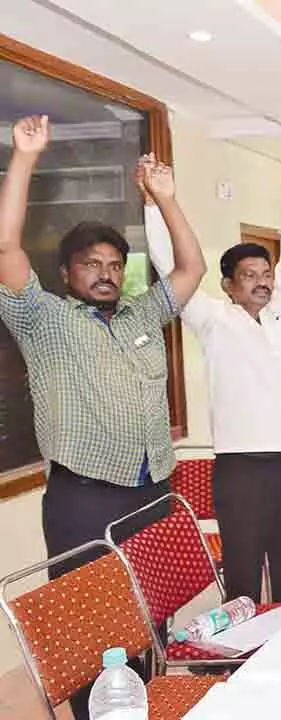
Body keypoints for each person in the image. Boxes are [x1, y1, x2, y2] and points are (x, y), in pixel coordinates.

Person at [0, 116, 205, 719]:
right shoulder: (45, 323)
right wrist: (24, 158)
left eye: (114, 263)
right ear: (66, 274)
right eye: (91, 264)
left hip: (151, 492)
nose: (106, 272)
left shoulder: (140, 318)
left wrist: (167, 199)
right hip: (85, 499)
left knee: (153, 622)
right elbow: (7, 248)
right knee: (95, 633)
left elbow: (190, 269)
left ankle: (152, 702)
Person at [144, 156, 281, 602]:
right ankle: (238, 662)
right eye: (250, 277)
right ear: (228, 284)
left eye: (266, 274)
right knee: (242, 571)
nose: (263, 283)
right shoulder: (211, 319)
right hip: (242, 470)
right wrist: (156, 202)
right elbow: (171, 264)